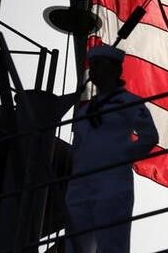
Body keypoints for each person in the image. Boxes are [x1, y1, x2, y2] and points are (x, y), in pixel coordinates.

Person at [65, 45, 158, 253]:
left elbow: (150, 137)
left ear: (116, 70)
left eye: (100, 65)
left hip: (112, 181)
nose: (94, 70)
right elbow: (78, 144)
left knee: (111, 243)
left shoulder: (128, 102)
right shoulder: (84, 111)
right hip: (80, 182)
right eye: (93, 65)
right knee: (75, 245)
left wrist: (120, 156)